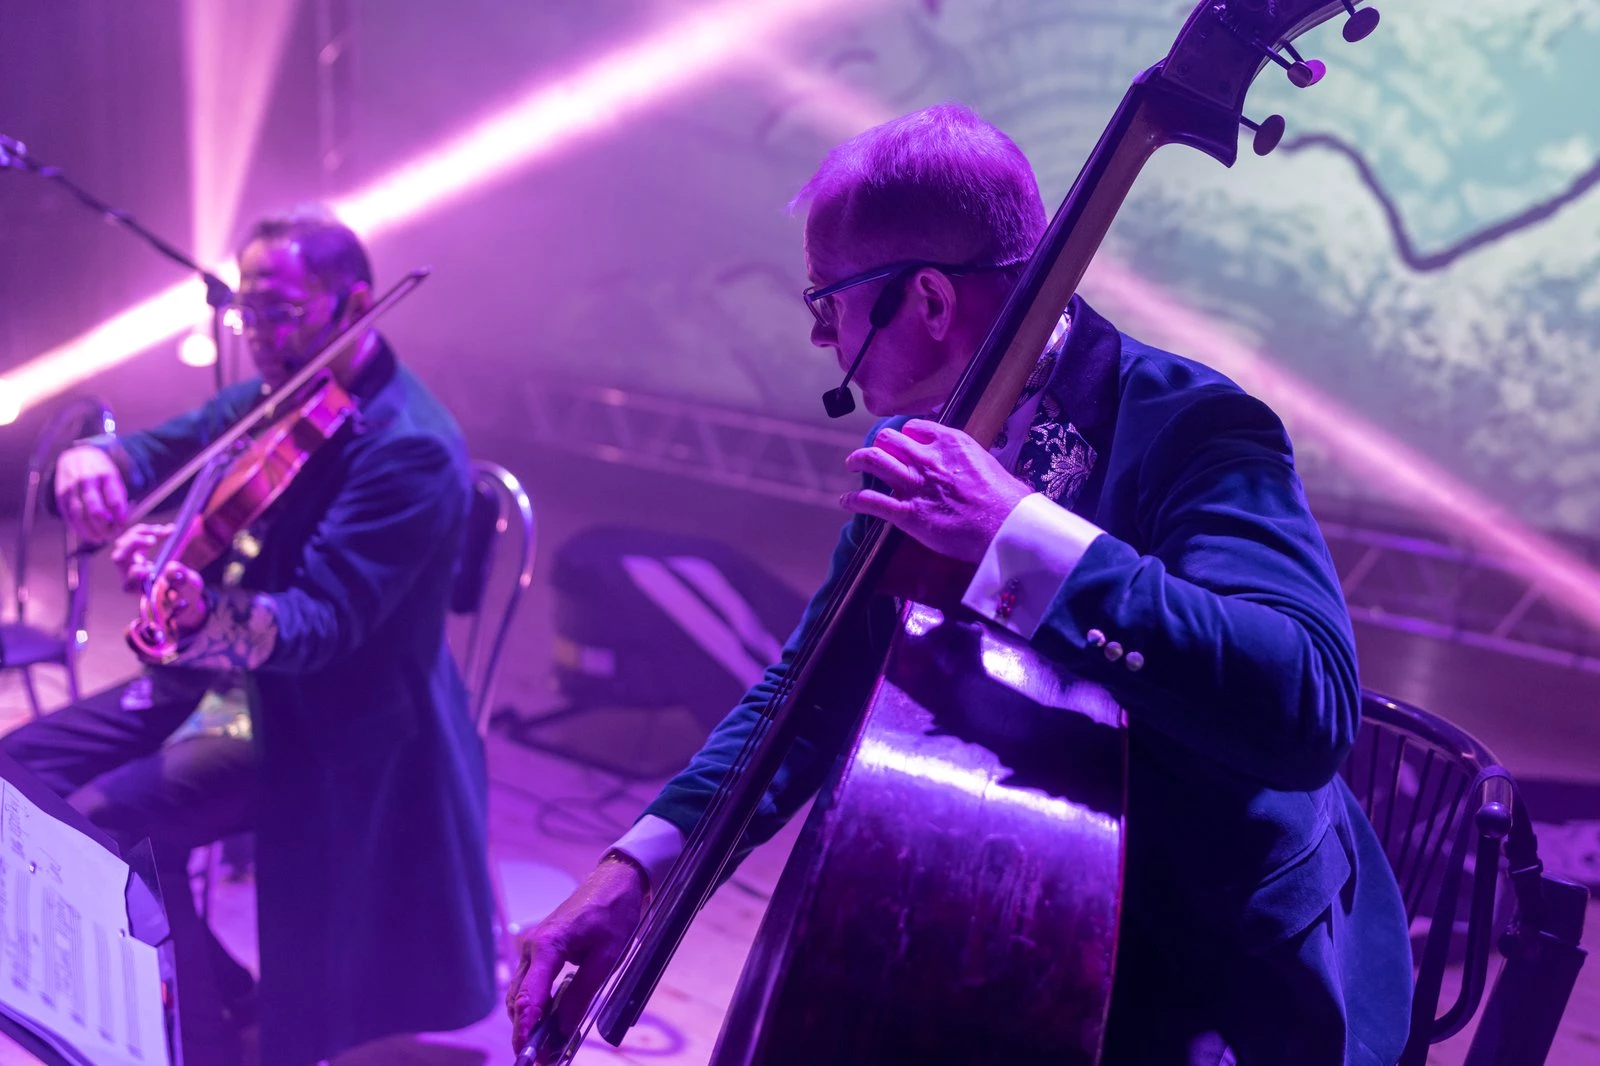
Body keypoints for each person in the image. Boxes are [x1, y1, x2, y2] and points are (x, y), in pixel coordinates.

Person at [507, 104, 1416, 1065]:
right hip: (1003, 906)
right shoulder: (918, 447)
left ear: (931, 302)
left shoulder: (1195, 426)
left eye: (828, 302)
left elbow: (1307, 702)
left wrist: (1017, 535)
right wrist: (636, 873)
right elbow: (809, 692)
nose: (820, 335)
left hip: (1206, 960)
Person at [1, 207, 497, 1065]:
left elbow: (321, 623)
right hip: (222, 683)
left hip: (331, 715)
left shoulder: (409, 448)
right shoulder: (284, 394)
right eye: (248, 312)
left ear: (356, 304)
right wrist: (99, 458)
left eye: (281, 312)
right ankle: (224, 996)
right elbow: (171, 445)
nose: (260, 335)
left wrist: (205, 613)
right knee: (19, 769)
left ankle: (199, 1033)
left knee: (113, 819)